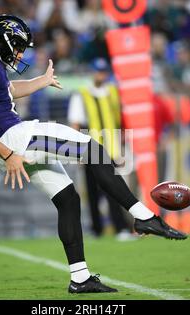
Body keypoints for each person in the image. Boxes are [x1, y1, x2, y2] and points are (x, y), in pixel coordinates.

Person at [0, 14, 187, 294]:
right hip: (16, 141)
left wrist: (41, 81)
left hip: (13, 143)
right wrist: (7, 154)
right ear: (3, 41)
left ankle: (80, 278)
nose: (19, 53)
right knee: (95, 151)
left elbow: (7, 92)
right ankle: (144, 217)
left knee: (68, 200)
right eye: (17, 46)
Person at [68, 57, 135, 241]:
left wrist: (122, 148)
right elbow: (75, 123)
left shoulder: (113, 92)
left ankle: (120, 227)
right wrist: (77, 152)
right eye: (98, 71)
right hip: (91, 150)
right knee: (92, 191)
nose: (101, 75)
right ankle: (97, 229)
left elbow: (119, 121)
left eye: (103, 71)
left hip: (111, 150)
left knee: (113, 190)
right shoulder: (82, 94)